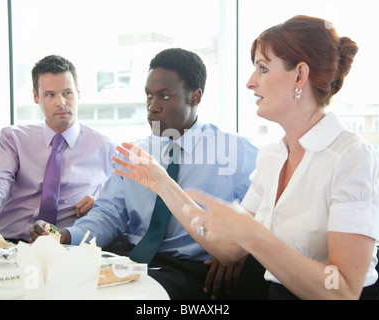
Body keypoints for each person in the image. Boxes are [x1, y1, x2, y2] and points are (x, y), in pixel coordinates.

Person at [111, 16, 379, 300]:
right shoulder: (272, 156)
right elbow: (228, 249)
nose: (250, 82)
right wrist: (163, 184)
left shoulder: (353, 157)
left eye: (263, 69)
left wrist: (254, 236)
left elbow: (342, 289)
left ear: (299, 76)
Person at [30, 48, 259, 300]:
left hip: (192, 270)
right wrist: (64, 235)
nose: (152, 107)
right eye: (148, 96)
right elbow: (108, 214)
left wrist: (242, 250)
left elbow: (267, 213)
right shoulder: (135, 152)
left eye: (164, 96)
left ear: (195, 97)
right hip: (132, 263)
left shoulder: (234, 152)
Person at [0, 55, 116, 244]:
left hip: (67, 247)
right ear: (36, 97)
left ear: (78, 93)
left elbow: (118, 205)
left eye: (67, 93)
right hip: (8, 243)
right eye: (50, 94)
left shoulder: (105, 147)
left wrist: (99, 203)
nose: (61, 102)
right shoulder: (14, 139)